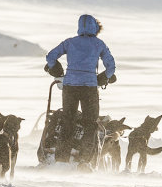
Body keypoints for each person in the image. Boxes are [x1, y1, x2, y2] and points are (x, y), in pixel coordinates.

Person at [44, 14, 116, 164]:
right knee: (90, 124)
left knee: (67, 121)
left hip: (70, 86)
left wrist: (56, 70)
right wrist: (103, 78)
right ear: (94, 28)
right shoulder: (99, 44)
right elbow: (111, 66)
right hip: (89, 87)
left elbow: (51, 56)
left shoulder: (69, 43)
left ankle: (61, 159)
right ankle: (84, 159)